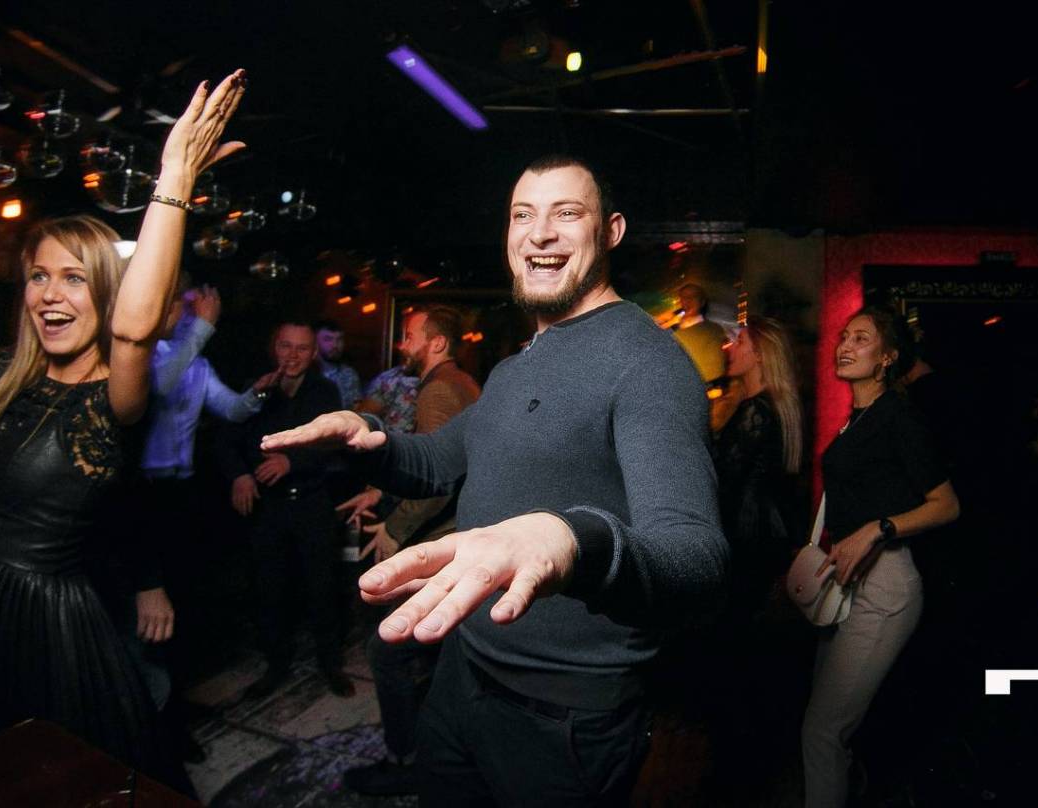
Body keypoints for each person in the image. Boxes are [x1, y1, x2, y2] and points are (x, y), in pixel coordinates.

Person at [263, 155, 727, 806]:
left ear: (612, 231)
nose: (540, 233)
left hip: (559, 714)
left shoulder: (648, 364)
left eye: (567, 213)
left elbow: (697, 556)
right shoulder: (517, 367)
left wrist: (569, 540)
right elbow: (438, 459)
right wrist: (367, 439)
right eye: (522, 214)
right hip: (464, 672)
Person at [0, 72, 246, 783]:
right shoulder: (5, 375)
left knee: (66, 778)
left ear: (105, 294)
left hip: (50, 623)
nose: (51, 293)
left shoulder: (114, 398)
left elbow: (136, 329)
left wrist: (173, 181)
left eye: (75, 278)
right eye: (39, 276)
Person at [801, 306, 960, 808]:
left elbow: (947, 505)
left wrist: (878, 529)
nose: (845, 346)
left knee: (822, 731)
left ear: (888, 357)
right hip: (848, 580)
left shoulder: (899, 418)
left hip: (886, 586)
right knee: (827, 723)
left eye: (861, 339)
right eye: (844, 336)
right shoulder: (859, 419)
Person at [119, 275, 269, 762]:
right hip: (141, 494)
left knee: (181, 602)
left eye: (189, 306)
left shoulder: (196, 363)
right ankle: (145, 721)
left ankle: (171, 708)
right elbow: (159, 384)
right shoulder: (144, 359)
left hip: (182, 495)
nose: (188, 312)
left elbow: (232, 410)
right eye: (181, 305)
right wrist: (203, 328)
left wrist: (256, 395)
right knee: (142, 610)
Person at [341, 305, 480, 796]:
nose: (403, 345)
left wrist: (396, 531)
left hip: (444, 543)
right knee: (439, 659)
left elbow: (439, 479)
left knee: (387, 650)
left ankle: (406, 762)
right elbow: (440, 453)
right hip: (461, 540)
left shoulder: (440, 389)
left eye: (410, 335)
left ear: (436, 343)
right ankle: (446, 752)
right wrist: (381, 490)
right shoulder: (462, 382)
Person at [215, 320, 353, 698]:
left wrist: (291, 462)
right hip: (267, 507)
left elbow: (333, 445)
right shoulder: (255, 390)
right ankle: (275, 665)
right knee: (269, 589)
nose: (292, 355)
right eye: (285, 346)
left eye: (302, 348)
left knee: (322, 587)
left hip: (311, 504)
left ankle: (331, 664)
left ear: (313, 353)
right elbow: (225, 441)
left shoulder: (325, 391)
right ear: (273, 347)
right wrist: (239, 475)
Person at [714, 316, 802, 617]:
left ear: (761, 354)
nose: (729, 348)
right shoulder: (770, 405)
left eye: (740, 341)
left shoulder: (756, 411)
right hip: (764, 534)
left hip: (746, 534)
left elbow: (724, 474)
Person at [672, 282, 728, 384]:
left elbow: (716, 370)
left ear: (702, 302)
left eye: (693, 297)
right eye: (684, 297)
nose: (688, 300)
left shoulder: (714, 331)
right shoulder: (671, 331)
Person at [315, 319, 362, 408]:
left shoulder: (349, 374)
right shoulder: (305, 372)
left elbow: (356, 408)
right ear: (315, 342)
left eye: (339, 339)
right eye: (328, 339)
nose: (335, 345)